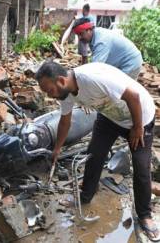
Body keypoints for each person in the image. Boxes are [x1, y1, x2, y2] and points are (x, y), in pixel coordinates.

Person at [36, 61, 160, 242]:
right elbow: (65, 121)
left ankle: (145, 215)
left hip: (139, 116)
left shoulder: (92, 78)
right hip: (110, 118)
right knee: (93, 155)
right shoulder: (66, 93)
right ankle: (85, 195)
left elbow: (133, 96)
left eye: (49, 91)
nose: (49, 96)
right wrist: (57, 148)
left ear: (61, 81)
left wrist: (138, 128)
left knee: (141, 168)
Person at [73, 17, 143, 79]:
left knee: (120, 89)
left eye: (81, 34)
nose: (79, 38)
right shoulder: (94, 36)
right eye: (77, 35)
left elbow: (95, 68)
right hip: (122, 63)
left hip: (130, 62)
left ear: (89, 30)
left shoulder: (101, 41)